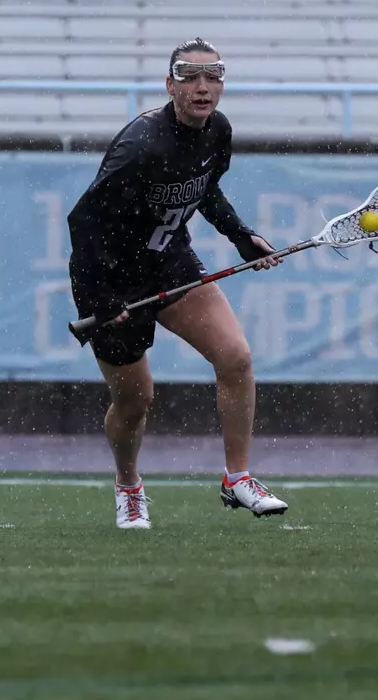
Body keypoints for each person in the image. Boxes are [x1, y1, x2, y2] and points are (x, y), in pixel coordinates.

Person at [68, 37, 289, 529]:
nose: (203, 87)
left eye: (213, 77)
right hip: (111, 277)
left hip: (170, 263)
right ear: (170, 86)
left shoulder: (218, 132)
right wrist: (103, 299)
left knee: (236, 357)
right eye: (190, 77)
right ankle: (129, 488)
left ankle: (238, 479)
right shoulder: (141, 145)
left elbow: (206, 190)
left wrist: (241, 235)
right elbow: (82, 223)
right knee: (135, 399)